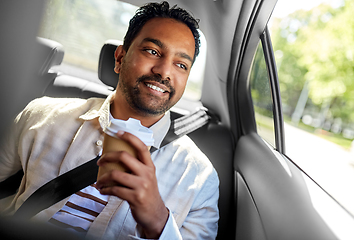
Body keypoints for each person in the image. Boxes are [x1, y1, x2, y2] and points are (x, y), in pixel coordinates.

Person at [0, 1, 219, 240]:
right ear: (120, 57)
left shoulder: (199, 177)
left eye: (181, 64)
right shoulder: (40, 116)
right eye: (153, 51)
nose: (164, 71)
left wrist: (158, 220)